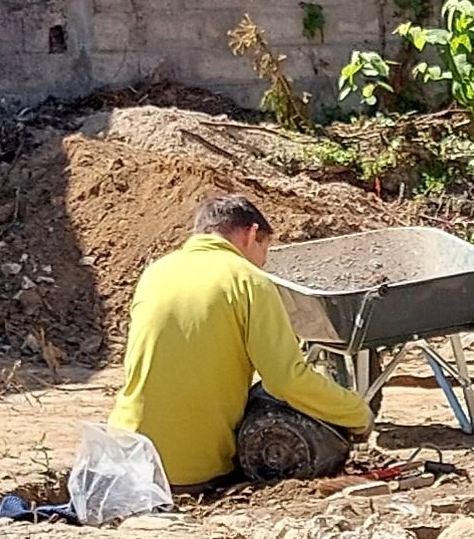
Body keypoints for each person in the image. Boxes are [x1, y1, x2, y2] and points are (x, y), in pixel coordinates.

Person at [106, 192, 373, 486]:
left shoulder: (156, 273)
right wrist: (357, 413)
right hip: (190, 473)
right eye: (265, 249)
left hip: (126, 459)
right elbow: (287, 380)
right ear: (252, 234)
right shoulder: (249, 280)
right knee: (267, 399)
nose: (264, 261)